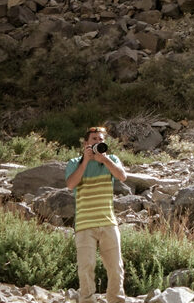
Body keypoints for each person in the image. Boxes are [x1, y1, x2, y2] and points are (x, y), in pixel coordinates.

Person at [64, 125, 130, 303]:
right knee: (86, 267)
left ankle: (116, 299)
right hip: (85, 224)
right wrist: (85, 161)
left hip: (108, 222)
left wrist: (105, 160)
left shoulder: (111, 159)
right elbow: (70, 185)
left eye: (101, 140)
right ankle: (86, 300)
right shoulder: (74, 162)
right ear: (86, 143)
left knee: (116, 267)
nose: (98, 143)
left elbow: (122, 176)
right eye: (94, 140)